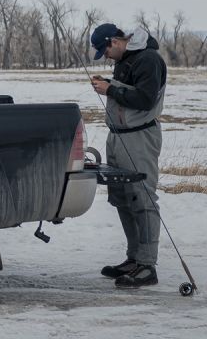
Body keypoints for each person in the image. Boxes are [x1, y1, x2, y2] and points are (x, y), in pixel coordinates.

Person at [89, 22, 166, 289]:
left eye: (105, 50)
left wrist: (110, 90)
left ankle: (147, 265)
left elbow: (145, 99)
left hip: (139, 137)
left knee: (142, 197)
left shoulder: (148, 59)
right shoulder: (127, 59)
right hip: (117, 136)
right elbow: (128, 91)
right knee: (122, 197)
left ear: (115, 41)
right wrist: (110, 84)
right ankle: (134, 259)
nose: (106, 55)